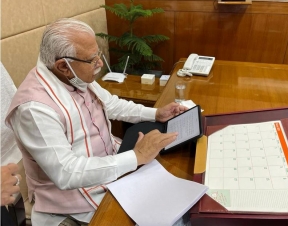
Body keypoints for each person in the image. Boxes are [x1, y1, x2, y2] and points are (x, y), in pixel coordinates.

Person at [5, 18, 187, 226]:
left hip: (111, 163)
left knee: (176, 188)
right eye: (92, 60)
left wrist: (156, 114)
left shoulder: (73, 76)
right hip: (74, 197)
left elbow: (111, 104)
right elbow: (67, 172)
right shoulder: (34, 108)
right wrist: (136, 157)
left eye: (97, 54)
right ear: (63, 65)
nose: (100, 63)